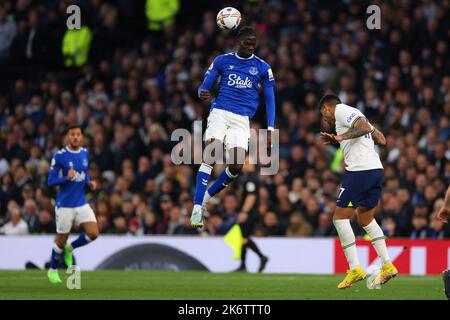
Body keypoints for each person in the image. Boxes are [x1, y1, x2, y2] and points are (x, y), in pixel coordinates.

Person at [190, 26, 276, 228]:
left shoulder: (263, 68)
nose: (251, 47)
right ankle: (196, 207)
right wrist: (202, 91)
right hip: (220, 112)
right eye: (247, 43)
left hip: (242, 119)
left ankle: (205, 199)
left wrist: (270, 128)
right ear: (238, 42)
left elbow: (271, 100)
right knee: (210, 154)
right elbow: (205, 84)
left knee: (236, 166)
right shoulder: (222, 61)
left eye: (254, 44)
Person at [319, 94, 397, 289]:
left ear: (328, 108)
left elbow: (361, 127)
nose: (325, 120)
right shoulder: (354, 116)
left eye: (323, 114)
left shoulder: (342, 111)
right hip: (375, 170)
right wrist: (343, 139)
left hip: (360, 170)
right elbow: (382, 139)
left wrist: (340, 137)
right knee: (365, 219)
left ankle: (355, 268)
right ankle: (387, 265)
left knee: (339, 218)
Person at [46, 125, 99, 283]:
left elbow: (85, 173)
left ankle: (71, 248)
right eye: (72, 134)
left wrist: (89, 183)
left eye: (78, 134)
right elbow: (50, 181)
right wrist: (65, 178)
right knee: (60, 241)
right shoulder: (60, 156)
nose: (75, 137)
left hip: (81, 202)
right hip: (65, 205)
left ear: (81, 137)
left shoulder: (84, 153)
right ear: (68, 137)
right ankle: (53, 270)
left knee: (93, 233)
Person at [234, 159, 269, 272]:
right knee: (244, 238)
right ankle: (245, 264)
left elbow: (251, 196)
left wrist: (244, 212)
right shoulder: (246, 177)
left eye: (247, 162)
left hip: (249, 212)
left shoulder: (251, 178)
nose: (244, 164)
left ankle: (260, 257)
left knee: (245, 238)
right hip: (248, 212)